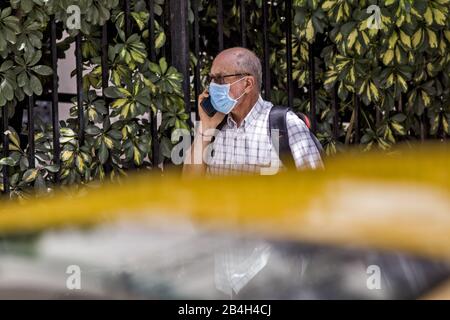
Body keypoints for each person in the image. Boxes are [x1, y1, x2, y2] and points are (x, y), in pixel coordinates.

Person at [183, 47, 322, 176]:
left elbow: (317, 187)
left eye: (220, 78)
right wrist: (206, 127)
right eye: (211, 79)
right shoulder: (216, 125)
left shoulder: (285, 124)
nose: (213, 86)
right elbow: (189, 184)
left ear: (248, 84)